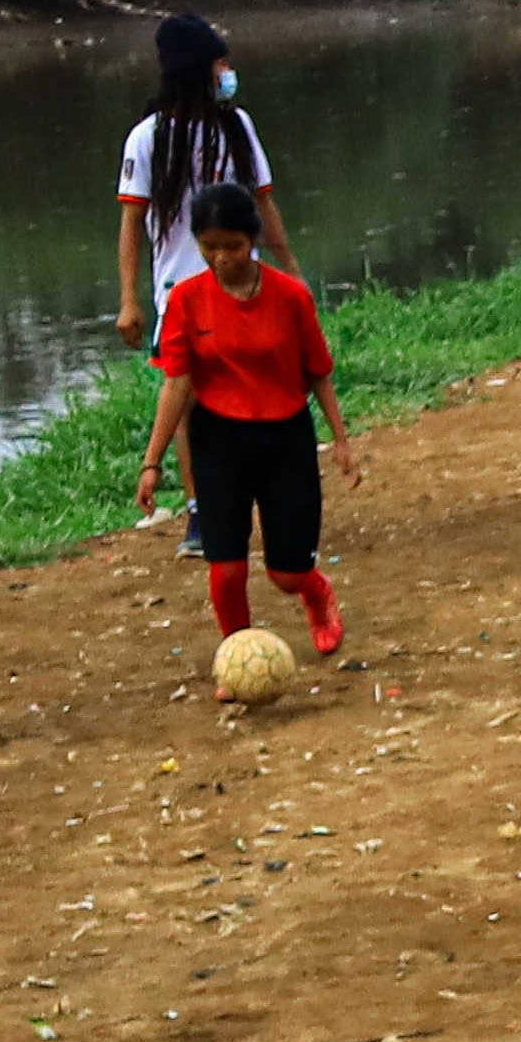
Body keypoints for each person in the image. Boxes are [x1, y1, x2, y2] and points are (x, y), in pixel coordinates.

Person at [128, 178, 357, 686]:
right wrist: (152, 461)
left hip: (284, 439)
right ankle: (237, 657)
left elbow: (318, 370)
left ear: (251, 240)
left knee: (286, 573)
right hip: (219, 442)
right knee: (226, 567)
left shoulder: (290, 296)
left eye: (231, 246)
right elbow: (177, 383)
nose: (221, 258)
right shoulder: (187, 300)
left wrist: (340, 439)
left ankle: (316, 592)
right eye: (209, 248)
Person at [113, 13, 288, 345]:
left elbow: (263, 204)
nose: (227, 74)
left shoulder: (237, 127)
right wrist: (129, 301)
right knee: (185, 391)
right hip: (178, 297)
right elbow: (131, 223)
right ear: (196, 72)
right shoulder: (148, 138)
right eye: (219, 65)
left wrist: (291, 272)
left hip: (243, 289)